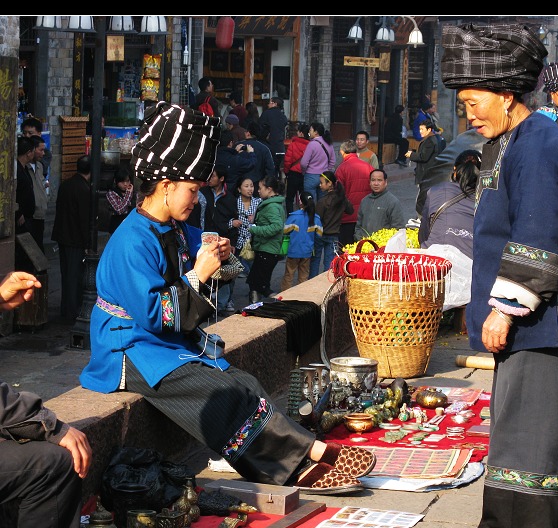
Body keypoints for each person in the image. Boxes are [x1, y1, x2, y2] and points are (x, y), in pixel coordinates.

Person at [79, 102, 375, 495]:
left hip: (158, 340)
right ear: (166, 186)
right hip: (127, 347)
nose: (196, 197)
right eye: (192, 189)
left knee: (240, 379)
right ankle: (298, 462)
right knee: (220, 392)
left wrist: (215, 259)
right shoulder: (131, 240)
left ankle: (301, 455)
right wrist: (199, 273)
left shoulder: (173, 228)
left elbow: (205, 285)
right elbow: (155, 313)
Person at [441, 22, 558, 528]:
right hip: (528, 312)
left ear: (506, 95)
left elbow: (540, 233)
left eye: (475, 102)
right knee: (515, 420)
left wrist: (504, 308)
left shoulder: (541, 144)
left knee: (531, 425)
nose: (469, 113)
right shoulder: (510, 140)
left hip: (543, 315)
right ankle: (504, 525)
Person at [0, 270, 92, 528]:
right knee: (57, 463)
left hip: (174, 355)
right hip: (139, 361)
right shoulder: (133, 243)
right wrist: (51, 427)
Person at [418, 149, 480, 260]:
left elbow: (423, 233)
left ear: (455, 169)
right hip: (471, 263)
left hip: (435, 260)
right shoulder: (487, 198)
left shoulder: (436, 190)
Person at [51, 154, 91, 323]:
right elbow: (83, 219)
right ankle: (72, 312)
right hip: (75, 238)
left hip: (63, 236)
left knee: (66, 274)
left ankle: (66, 309)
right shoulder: (83, 189)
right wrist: (88, 242)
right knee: (74, 276)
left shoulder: (66, 185)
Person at [200, 164, 239, 314]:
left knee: (225, 271)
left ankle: (222, 303)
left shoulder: (230, 198)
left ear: (221, 179)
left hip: (224, 239)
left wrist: (233, 243)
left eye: (213, 176)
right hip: (206, 239)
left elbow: (234, 221)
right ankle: (206, 303)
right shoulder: (203, 194)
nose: (210, 179)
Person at [247, 175, 286, 303]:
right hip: (267, 249)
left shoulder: (272, 206)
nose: (258, 191)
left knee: (258, 283)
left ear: (269, 189)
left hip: (267, 249)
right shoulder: (274, 204)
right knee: (258, 281)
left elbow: (276, 227)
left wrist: (254, 229)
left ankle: (267, 304)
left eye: (260, 188)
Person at [310, 171, 353, 278]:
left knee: (315, 260)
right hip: (334, 236)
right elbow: (350, 210)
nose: (320, 185)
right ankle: (327, 282)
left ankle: (312, 280)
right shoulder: (341, 199)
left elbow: (317, 218)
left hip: (320, 235)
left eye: (321, 183)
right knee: (329, 262)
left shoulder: (323, 201)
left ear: (329, 184)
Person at [280, 191, 322, 292]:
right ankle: (301, 297)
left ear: (301, 203)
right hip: (307, 252)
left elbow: (285, 230)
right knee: (303, 276)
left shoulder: (294, 216)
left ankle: (285, 296)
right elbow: (320, 234)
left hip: (293, 251)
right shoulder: (315, 218)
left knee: (289, 275)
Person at [335, 139, 373, 247]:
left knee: (346, 249)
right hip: (366, 214)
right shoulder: (368, 167)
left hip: (347, 216)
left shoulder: (341, 169)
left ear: (342, 152)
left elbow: (339, 193)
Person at [354, 169, 406, 241]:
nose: (376, 183)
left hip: (383, 247)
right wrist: (359, 238)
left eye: (379, 180)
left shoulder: (392, 202)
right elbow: (358, 225)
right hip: (364, 245)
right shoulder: (365, 201)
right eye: (373, 180)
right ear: (370, 182)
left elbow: (398, 229)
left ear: (385, 182)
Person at [406, 119, 441, 217]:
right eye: (419, 129)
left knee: (421, 200)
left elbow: (423, 157)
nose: (420, 131)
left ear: (429, 129)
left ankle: (421, 219)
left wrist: (411, 155)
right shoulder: (429, 139)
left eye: (422, 129)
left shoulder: (430, 141)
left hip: (426, 174)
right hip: (426, 174)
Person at [231, 177, 262, 277]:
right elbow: (225, 220)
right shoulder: (234, 203)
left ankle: (253, 292)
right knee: (234, 273)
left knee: (254, 273)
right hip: (238, 243)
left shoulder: (258, 202)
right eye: (246, 186)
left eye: (252, 186)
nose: (250, 189)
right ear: (239, 189)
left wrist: (256, 217)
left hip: (253, 243)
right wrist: (232, 222)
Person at [300, 122, 335, 202]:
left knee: (309, 201)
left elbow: (304, 163)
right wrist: (326, 169)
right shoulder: (329, 143)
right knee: (322, 201)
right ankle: (320, 214)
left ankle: (311, 214)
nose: (309, 132)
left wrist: (304, 171)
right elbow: (333, 161)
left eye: (311, 130)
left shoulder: (312, 144)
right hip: (324, 176)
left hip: (310, 176)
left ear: (316, 132)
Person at [283, 123, 310, 214]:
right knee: (303, 197)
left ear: (301, 133)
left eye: (298, 131)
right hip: (305, 174)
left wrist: (286, 172)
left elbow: (287, 161)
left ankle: (290, 216)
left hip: (293, 174)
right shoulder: (310, 146)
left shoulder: (293, 144)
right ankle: (303, 215)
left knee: (290, 198)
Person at [258, 96, 288, 176]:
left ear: (275, 104)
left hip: (269, 146)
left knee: (269, 171)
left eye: (270, 102)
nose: (268, 105)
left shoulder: (266, 114)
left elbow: (260, 129)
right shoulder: (283, 116)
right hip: (280, 147)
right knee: (277, 170)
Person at [242, 122, 275, 192]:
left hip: (240, 184)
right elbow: (270, 169)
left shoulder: (238, 146)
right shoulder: (264, 148)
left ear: (248, 133)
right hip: (258, 185)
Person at [105, 165, 135, 235]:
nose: (125, 184)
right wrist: (128, 194)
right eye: (122, 182)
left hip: (130, 226)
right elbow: (119, 210)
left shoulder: (134, 192)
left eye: (127, 181)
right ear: (116, 181)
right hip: (117, 227)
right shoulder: (111, 193)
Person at [21, 116, 51, 180]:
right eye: (24, 133)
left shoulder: (46, 153)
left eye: (30, 133)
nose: (26, 136)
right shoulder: (19, 150)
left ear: (39, 134)